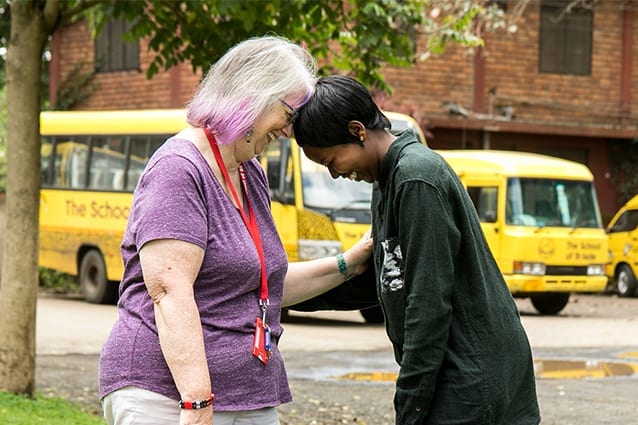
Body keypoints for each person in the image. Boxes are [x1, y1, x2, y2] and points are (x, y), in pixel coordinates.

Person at [98, 37, 373, 425]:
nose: (290, 130)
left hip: (247, 393)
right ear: (254, 95)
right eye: (289, 113)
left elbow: (263, 285)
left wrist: (350, 262)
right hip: (165, 393)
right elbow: (169, 291)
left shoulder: (249, 171)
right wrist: (196, 402)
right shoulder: (180, 168)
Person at [292, 75, 541, 425]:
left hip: (472, 378)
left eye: (331, 161)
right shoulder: (387, 181)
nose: (334, 174)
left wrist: (411, 404)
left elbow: (428, 302)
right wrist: (278, 295)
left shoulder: (416, 178)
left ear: (357, 130)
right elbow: (384, 279)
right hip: (456, 373)